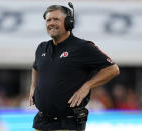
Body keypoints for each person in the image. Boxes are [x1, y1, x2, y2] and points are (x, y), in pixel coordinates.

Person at [29, 3, 120, 131]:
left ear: (69, 22)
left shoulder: (82, 47)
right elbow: (35, 67)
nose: (51, 23)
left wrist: (87, 86)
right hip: (42, 121)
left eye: (56, 19)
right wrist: (33, 86)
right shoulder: (42, 47)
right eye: (48, 20)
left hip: (68, 123)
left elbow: (113, 69)